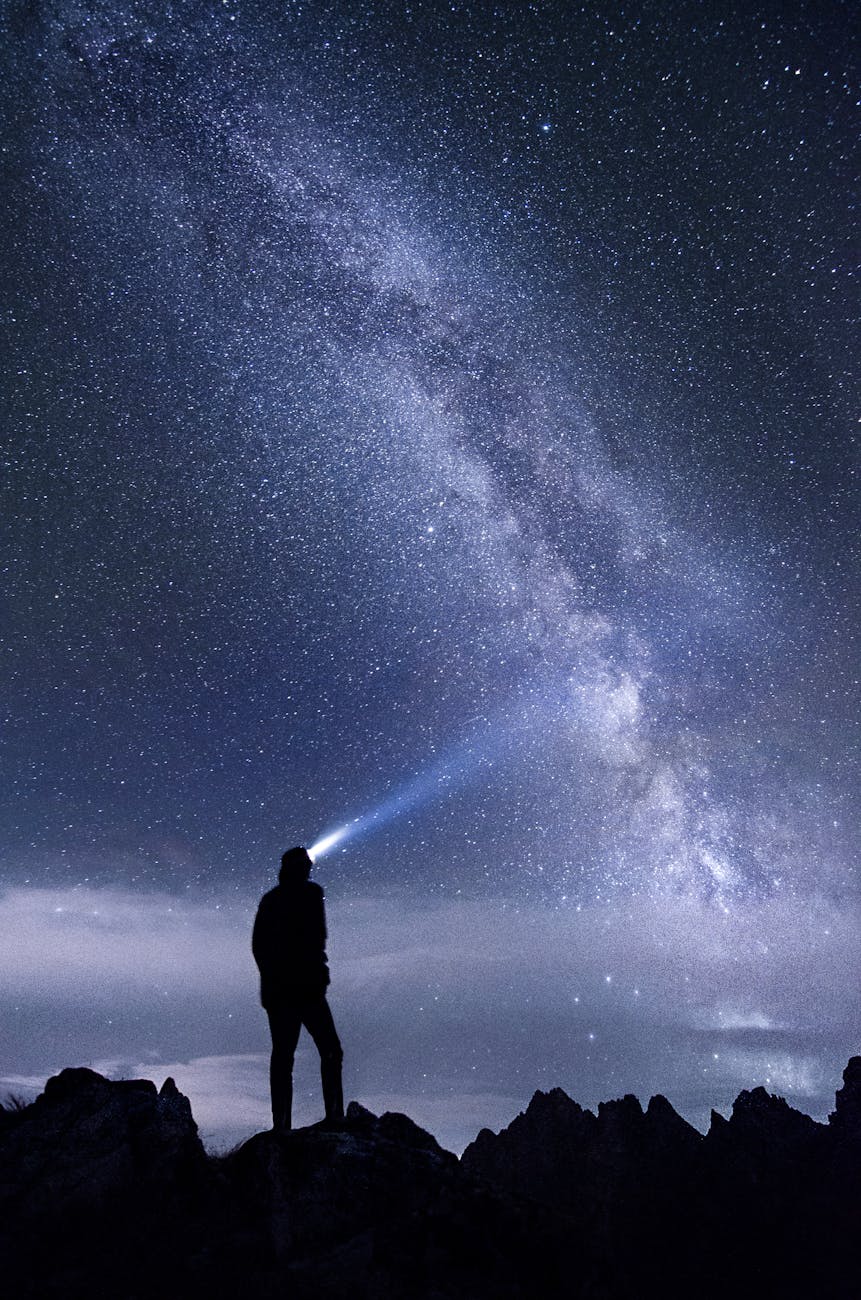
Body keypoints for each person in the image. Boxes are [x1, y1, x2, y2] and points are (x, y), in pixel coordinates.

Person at [252, 846, 344, 1132]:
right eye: (304, 864)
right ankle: (331, 1116)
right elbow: (316, 939)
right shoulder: (310, 894)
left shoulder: (275, 899)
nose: (308, 868)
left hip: (287, 990)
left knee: (285, 1055)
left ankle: (284, 1124)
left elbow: (260, 946)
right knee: (325, 1051)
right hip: (301, 989)